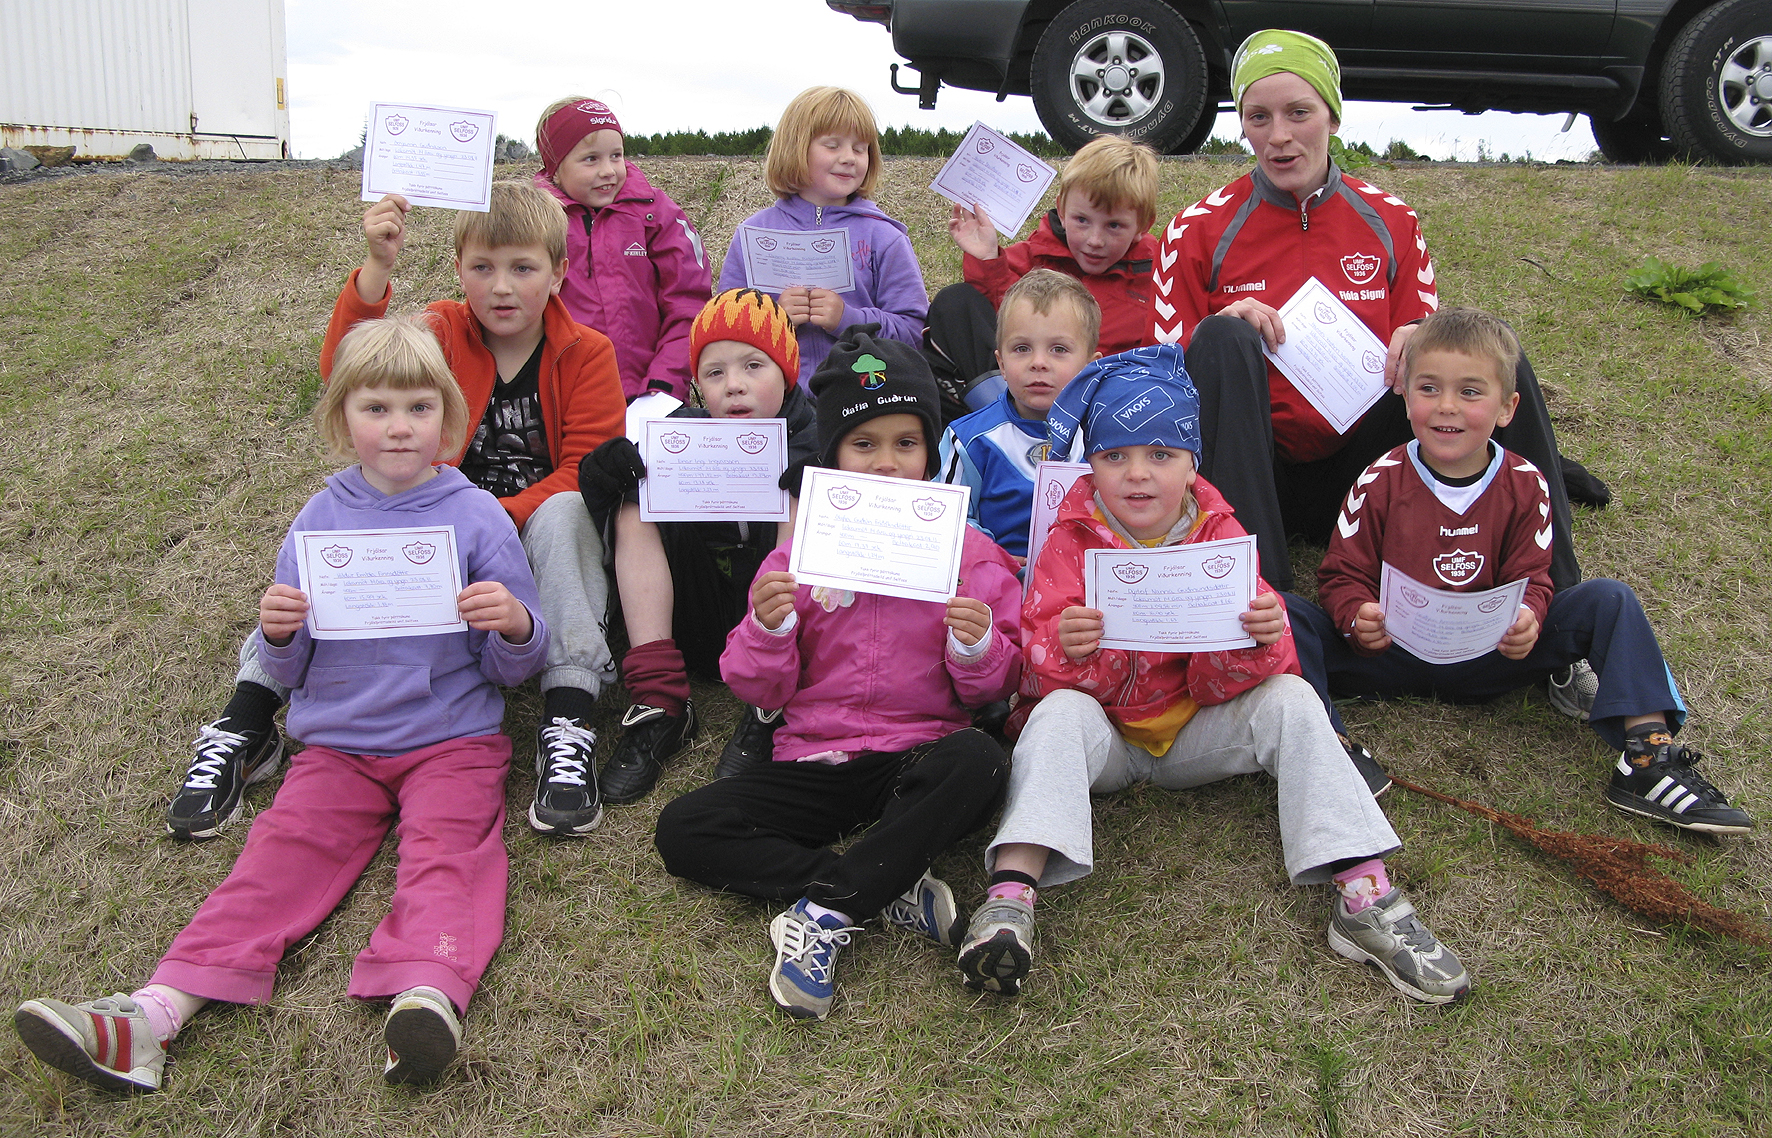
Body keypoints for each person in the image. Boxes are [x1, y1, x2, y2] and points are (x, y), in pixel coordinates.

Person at [15, 317, 547, 1092]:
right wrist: (279, 633)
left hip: (451, 740)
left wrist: (515, 623)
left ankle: (427, 994)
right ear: (341, 420)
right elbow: (290, 670)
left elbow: (515, 667)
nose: (399, 426)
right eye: (376, 408)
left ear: (448, 417)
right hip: (337, 747)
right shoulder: (317, 521)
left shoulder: (477, 517)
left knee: (450, 853)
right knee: (276, 859)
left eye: (419, 407)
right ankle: (151, 1016)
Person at [957, 345, 1471, 1006]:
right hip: (1105, 739)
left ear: (1192, 462)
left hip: (1196, 731)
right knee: (1056, 715)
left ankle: (1365, 894)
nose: (1137, 475)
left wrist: (1259, 638)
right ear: (1091, 464)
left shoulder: (1220, 534)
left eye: (1160, 455)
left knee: (1292, 697)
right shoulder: (1068, 538)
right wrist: (1065, 646)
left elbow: (1245, 677)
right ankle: (1010, 897)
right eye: (1114, 456)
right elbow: (1034, 664)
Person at [163, 181, 625, 844]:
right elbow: (350, 370)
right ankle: (248, 715)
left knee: (569, 512)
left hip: (515, 533)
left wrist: (486, 519)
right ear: (459, 268)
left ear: (558, 273)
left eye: (523, 268)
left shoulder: (588, 351)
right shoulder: (441, 329)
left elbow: (583, 465)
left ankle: (567, 714)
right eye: (482, 267)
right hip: (430, 535)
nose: (501, 287)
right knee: (344, 519)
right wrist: (377, 268)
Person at [653, 328, 1021, 1021]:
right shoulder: (797, 555)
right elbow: (759, 689)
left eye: (906, 443)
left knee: (980, 761)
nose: (886, 463)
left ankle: (827, 911)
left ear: (931, 451)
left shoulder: (969, 553)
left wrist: (976, 647)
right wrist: (769, 628)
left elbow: (993, 688)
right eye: (864, 444)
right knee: (684, 827)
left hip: (916, 757)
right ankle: (882, 883)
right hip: (812, 759)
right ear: (832, 457)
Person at [1150, 29, 1587, 608]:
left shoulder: (1390, 219)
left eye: (1298, 113)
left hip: (1366, 470)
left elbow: (1438, 370)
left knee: (1492, 349)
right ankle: (1262, 596)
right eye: (1258, 117)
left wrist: (1416, 335)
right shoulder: (1197, 229)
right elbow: (1159, 382)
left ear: (1332, 117)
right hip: (1255, 473)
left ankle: (1562, 594)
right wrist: (1215, 332)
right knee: (1224, 334)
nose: (1278, 136)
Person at [1289, 307, 1753, 835]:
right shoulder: (1378, 480)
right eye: (1429, 388)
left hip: (1492, 658)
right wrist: (1356, 616)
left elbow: (1535, 577)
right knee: (1285, 614)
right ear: (1406, 396)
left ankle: (1648, 758)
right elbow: (1340, 575)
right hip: (1388, 655)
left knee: (1610, 600)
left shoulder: (1527, 483)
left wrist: (1528, 617)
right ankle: (1328, 746)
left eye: (1470, 392)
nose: (1446, 406)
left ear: (1508, 407)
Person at [577, 288, 819, 804]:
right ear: (696, 385)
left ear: (787, 372)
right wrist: (603, 478)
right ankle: (659, 697)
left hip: (785, 631)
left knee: (804, 494)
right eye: (714, 373)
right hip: (695, 614)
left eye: (754, 365)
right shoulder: (680, 436)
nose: (734, 385)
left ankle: (771, 702)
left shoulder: (820, 435)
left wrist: (823, 476)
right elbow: (614, 513)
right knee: (636, 496)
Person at [928, 134, 1159, 410]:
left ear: (1143, 225)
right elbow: (994, 324)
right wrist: (987, 259)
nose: (1095, 240)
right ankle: (1002, 420)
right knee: (955, 301)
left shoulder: (1160, 281)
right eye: (1082, 220)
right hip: (1021, 394)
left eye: (1114, 226)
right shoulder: (1030, 258)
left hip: (1105, 409)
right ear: (1061, 210)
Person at [716, 87, 929, 386]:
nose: (849, 158)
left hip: (865, 398)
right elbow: (723, 331)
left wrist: (848, 320)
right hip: (776, 402)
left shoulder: (884, 236)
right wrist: (774, 319)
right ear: (795, 148)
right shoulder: (753, 235)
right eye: (832, 145)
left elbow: (914, 332)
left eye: (860, 148)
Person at [532, 96, 712, 402]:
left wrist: (663, 385)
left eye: (616, 156)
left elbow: (689, 304)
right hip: (567, 400)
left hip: (652, 397)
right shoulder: (535, 222)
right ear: (556, 168)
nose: (608, 170)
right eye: (591, 159)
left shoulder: (657, 214)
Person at [937, 269, 1102, 561]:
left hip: (1085, 580)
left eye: (1059, 349)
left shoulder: (1108, 436)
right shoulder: (968, 439)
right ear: (1001, 363)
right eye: (1022, 348)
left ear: (1090, 367)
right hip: (999, 580)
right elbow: (945, 518)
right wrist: (996, 557)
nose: (1038, 362)